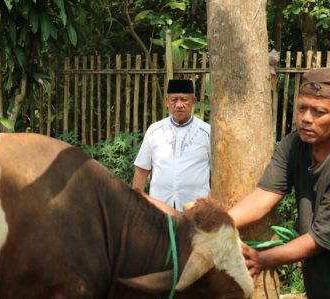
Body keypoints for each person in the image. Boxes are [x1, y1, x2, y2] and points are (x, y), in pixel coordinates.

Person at [228, 69, 330, 299]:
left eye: (319, 112)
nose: (306, 118)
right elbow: (264, 194)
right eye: (302, 107)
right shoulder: (295, 144)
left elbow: (318, 240)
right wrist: (221, 224)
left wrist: (261, 259)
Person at [132, 79, 211, 211]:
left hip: (196, 210)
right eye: (174, 99)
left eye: (184, 99)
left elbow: (218, 175)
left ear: (194, 101)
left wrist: (208, 203)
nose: (179, 105)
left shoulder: (207, 132)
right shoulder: (154, 131)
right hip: (159, 209)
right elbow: (141, 170)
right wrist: (135, 206)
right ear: (167, 101)